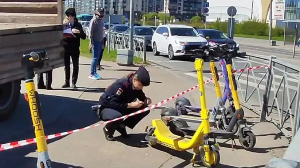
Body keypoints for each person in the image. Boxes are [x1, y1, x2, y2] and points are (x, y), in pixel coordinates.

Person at [98, 66, 152, 141]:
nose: (141, 88)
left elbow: (142, 97)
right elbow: (112, 103)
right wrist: (130, 105)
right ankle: (108, 129)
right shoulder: (121, 85)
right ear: (134, 80)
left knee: (145, 109)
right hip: (106, 108)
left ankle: (121, 125)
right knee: (117, 116)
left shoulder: (136, 87)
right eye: (140, 85)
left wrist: (146, 100)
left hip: (121, 107)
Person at [62, 8, 86, 88]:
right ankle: (66, 82)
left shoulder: (78, 25)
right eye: (67, 16)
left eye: (70, 16)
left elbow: (84, 37)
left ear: (73, 16)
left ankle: (73, 83)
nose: (68, 17)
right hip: (66, 47)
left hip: (75, 48)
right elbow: (61, 35)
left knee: (75, 66)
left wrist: (78, 32)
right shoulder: (65, 24)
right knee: (67, 66)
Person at [89, 8, 105, 80]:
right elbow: (91, 32)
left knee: (97, 58)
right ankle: (92, 73)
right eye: (100, 12)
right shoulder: (94, 20)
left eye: (102, 12)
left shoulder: (101, 20)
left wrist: (102, 42)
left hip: (100, 41)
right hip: (94, 41)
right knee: (95, 58)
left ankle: (95, 72)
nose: (101, 13)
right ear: (97, 12)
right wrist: (91, 42)